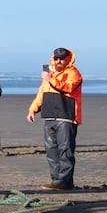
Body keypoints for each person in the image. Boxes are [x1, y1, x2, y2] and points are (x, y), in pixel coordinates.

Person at [27, 47, 83, 190]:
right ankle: (56, 180)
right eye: (56, 58)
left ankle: (65, 181)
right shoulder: (50, 74)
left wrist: (50, 79)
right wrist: (33, 110)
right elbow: (42, 93)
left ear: (67, 59)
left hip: (66, 117)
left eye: (62, 58)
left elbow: (68, 87)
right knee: (51, 150)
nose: (59, 61)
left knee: (65, 149)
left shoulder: (74, 73)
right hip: (49, 116)